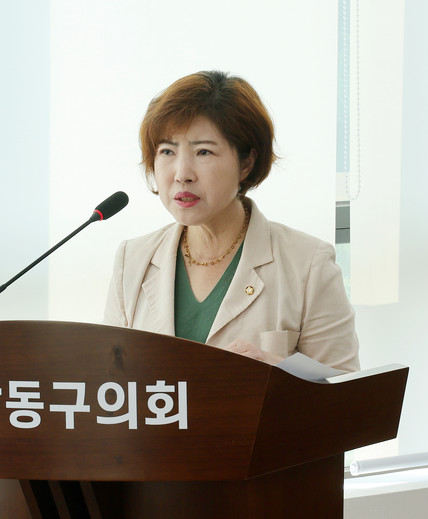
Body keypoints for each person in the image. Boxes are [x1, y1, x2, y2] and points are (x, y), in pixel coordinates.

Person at [103, 70, 359, 372]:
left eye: (203, 151)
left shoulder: (309, 265)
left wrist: (276, 371)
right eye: (167, 151)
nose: (182, 174)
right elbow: (108, 384)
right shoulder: (132, 260)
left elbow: (348, 394)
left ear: (246, 163)